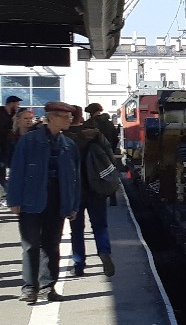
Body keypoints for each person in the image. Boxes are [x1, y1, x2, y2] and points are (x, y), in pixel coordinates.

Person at [6, 101, 81, 303]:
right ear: (52, 117)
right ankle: (30, 287)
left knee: (51, 244)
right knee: (30, 244)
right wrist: (13, 199)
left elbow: (75, 179)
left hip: (57, 199)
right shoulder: (29, 141)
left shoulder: (69, 145)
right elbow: (17, 172)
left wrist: (73, 205)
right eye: (66, 117)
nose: (69, 121)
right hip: (31, 199)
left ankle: (48, 287)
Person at [63, 109, 115, 277]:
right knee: (100, 226)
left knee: (77, 230)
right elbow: (110, 158)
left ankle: (79, 264)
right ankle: (104, 253)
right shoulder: (95, 135)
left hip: (75, 191)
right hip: (97, 188)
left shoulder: (65, 138)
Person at [0, 95, 20, 187]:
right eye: (17, 104)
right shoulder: (1, 113)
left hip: (5, 148)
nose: (18, 106)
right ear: (11, 103)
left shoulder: (12, 115)